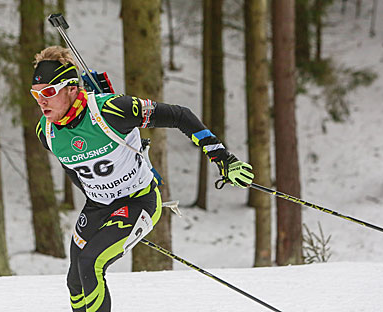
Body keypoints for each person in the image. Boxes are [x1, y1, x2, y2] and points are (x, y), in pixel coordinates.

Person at [32, 46, 254, 312]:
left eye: (48, 92)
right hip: (98, 206)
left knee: (91, 263)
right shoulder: (47, 133)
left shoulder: (112, 111)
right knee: (75, 281)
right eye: (36, 94)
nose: (41, 101)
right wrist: (97, 192)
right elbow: (74, 169)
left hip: (138, 200)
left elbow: (179, 115)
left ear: (71, 88)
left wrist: (222, 158)